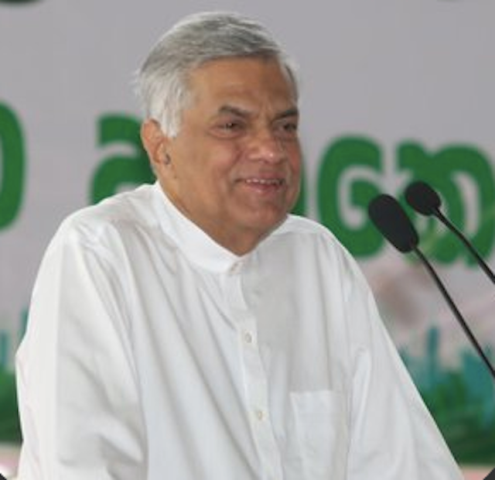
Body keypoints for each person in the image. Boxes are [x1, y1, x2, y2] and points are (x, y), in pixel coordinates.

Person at [16, 11, 463, 480]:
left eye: (285, 127)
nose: (271, 150)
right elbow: (86, 467)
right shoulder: (100, 254)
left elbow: (403, 463)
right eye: (232, 126)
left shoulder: (318, 259)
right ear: (160, 147)